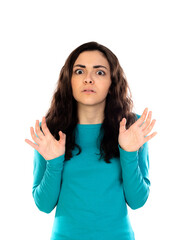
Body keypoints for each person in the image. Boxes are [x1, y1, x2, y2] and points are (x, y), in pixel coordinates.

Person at [25, 41, 157, 240]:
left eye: (99, 72)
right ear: (69, 80)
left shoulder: (132, 127)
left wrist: (128, 153)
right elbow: (44, 205)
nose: (88, 79)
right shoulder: (51, 131)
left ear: (112, 82)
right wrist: (54, 163)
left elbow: (137, 200)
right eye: (79, 71)